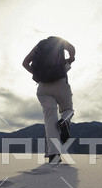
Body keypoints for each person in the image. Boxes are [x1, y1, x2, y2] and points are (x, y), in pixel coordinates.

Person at [22, 36, 75, 164]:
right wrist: (71, 59)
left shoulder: (39, 46)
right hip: (61, 83)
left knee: (50, 120)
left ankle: (53, 155)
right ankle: (65, 120)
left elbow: (25, 63)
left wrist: (37, 75)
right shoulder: (60, 42)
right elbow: (72, 49)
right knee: (68, 110)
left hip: (43, 88)